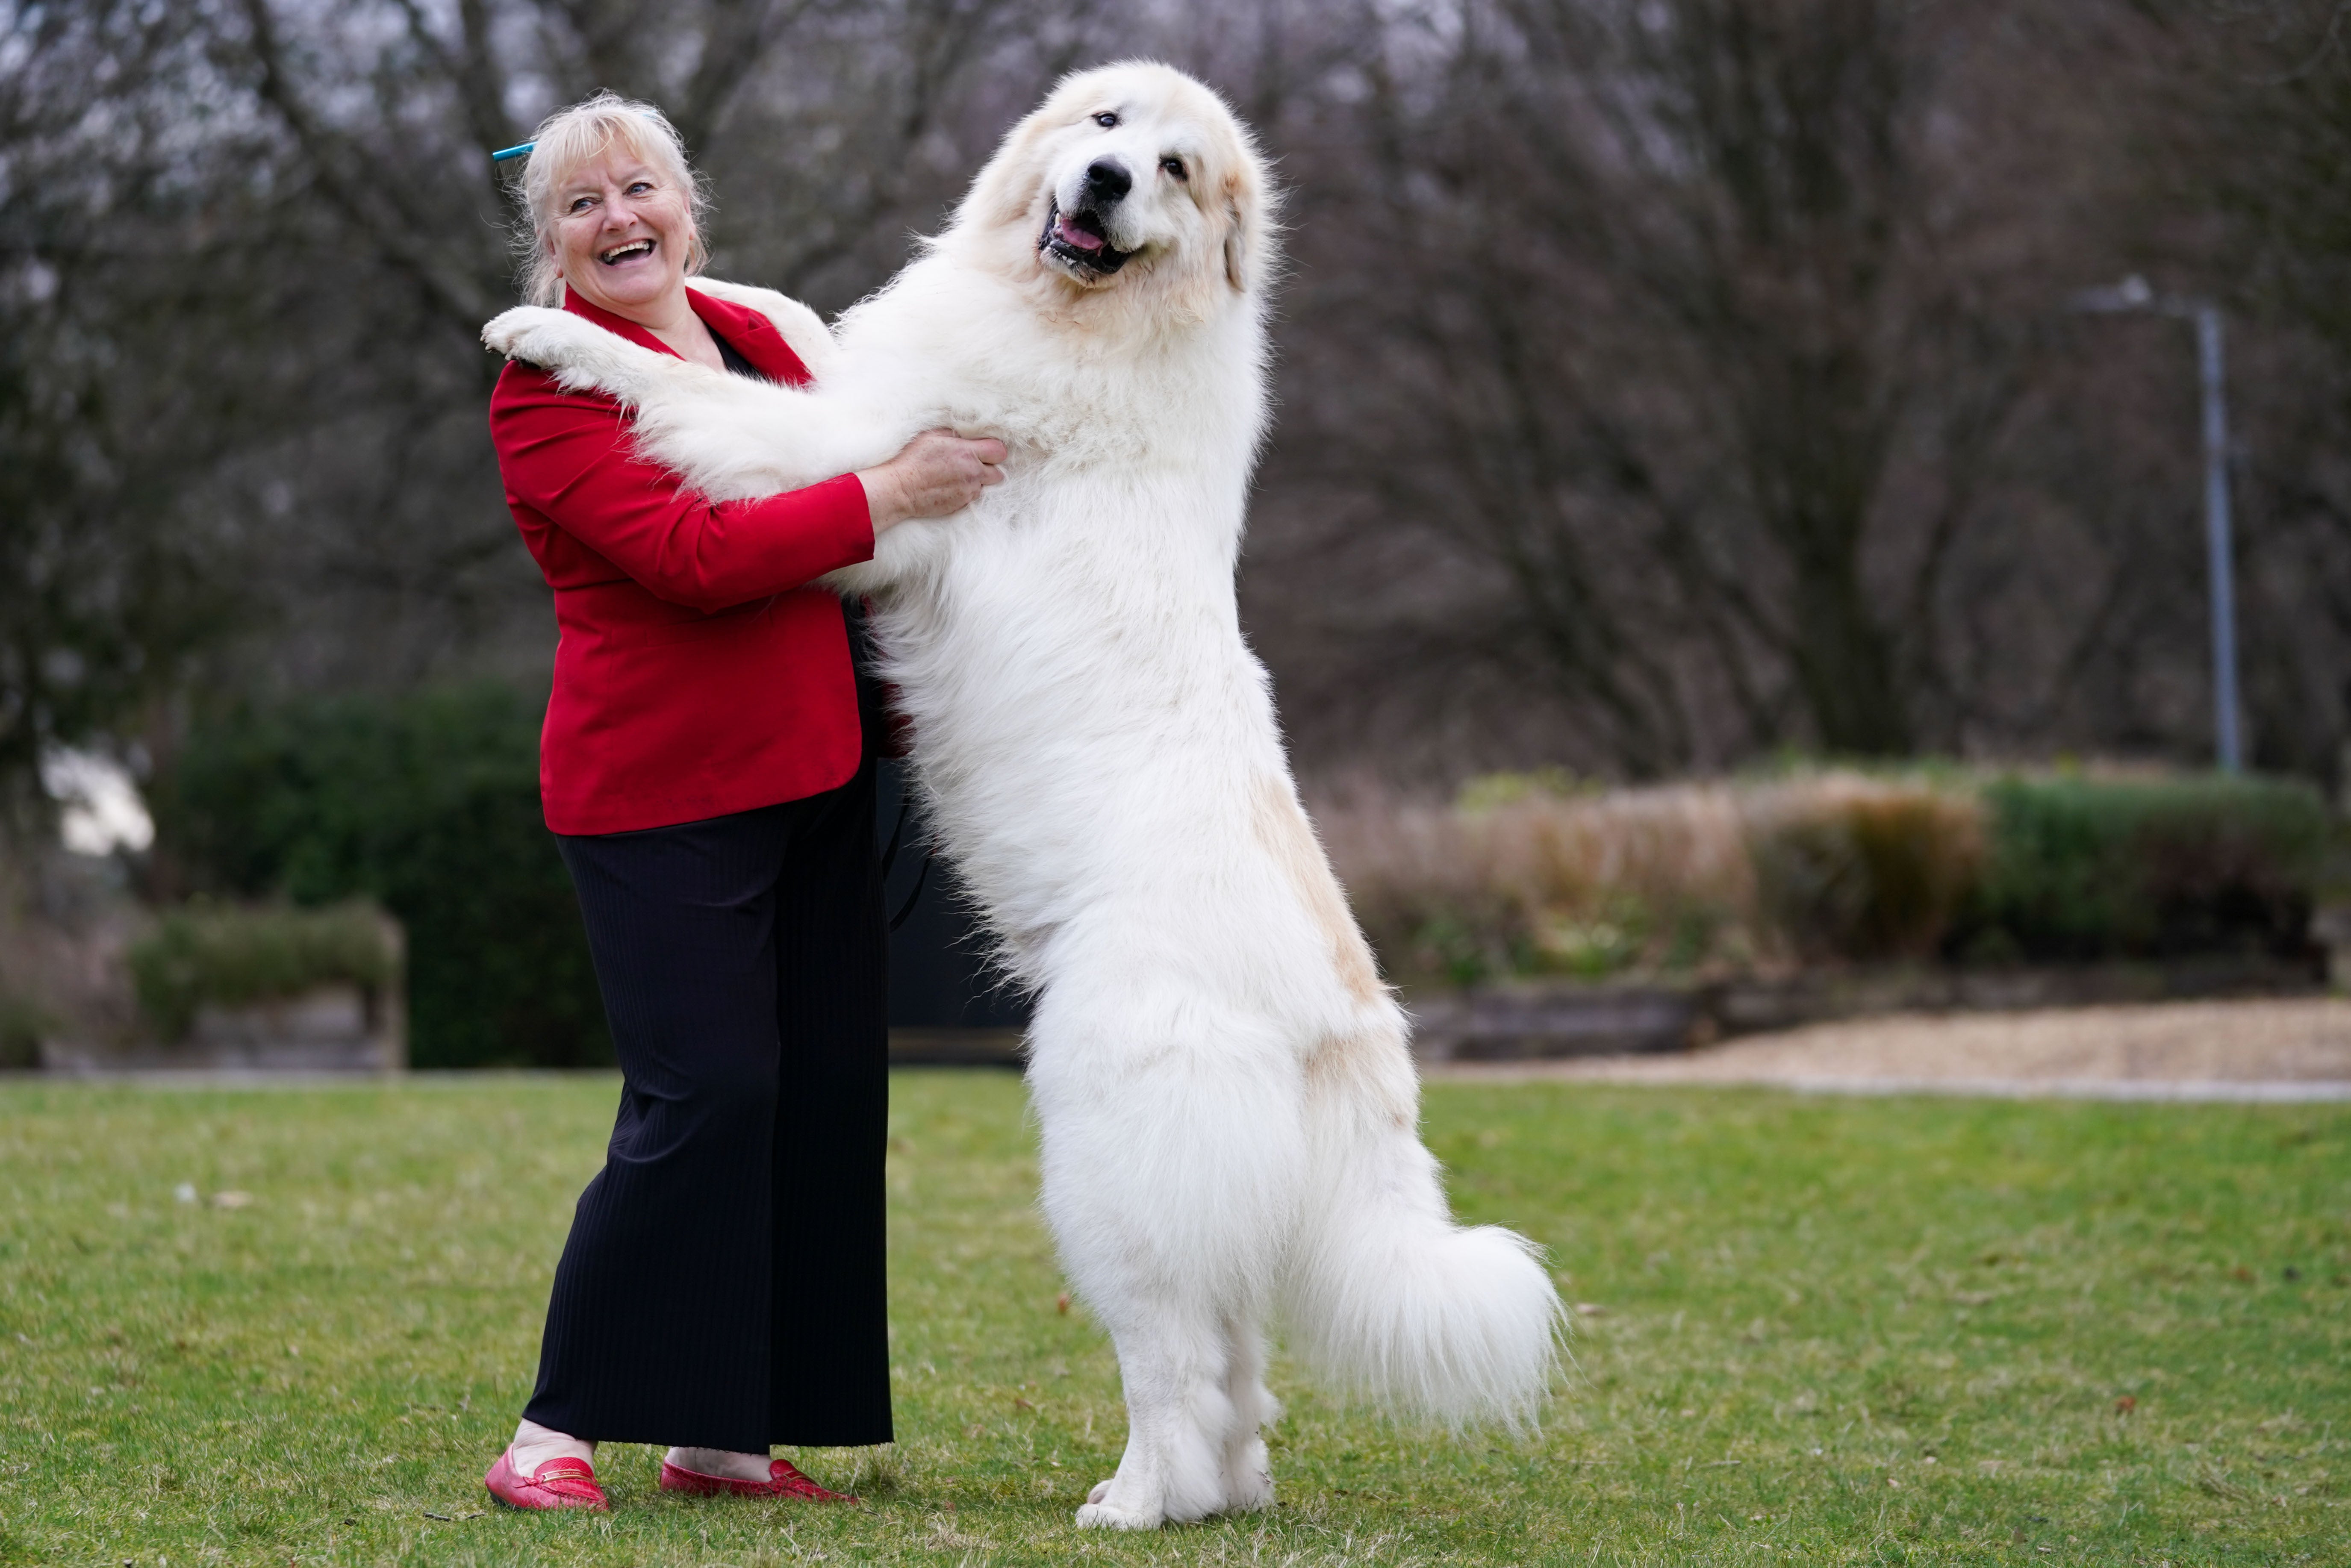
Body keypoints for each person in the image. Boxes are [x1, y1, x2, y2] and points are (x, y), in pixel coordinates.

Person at [478, 91, 1004, 1512]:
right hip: (656, 795)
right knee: (705, 1093)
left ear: (684, 203)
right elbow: (696, 557)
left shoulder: (769, 335)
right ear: (554, 248)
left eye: (637, 188)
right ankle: (551, 1432)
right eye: (581, 207)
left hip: (821, 775)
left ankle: (723, 1432)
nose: (618, 221)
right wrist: (893, 490)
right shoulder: (547, 393)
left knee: (820, 1095)